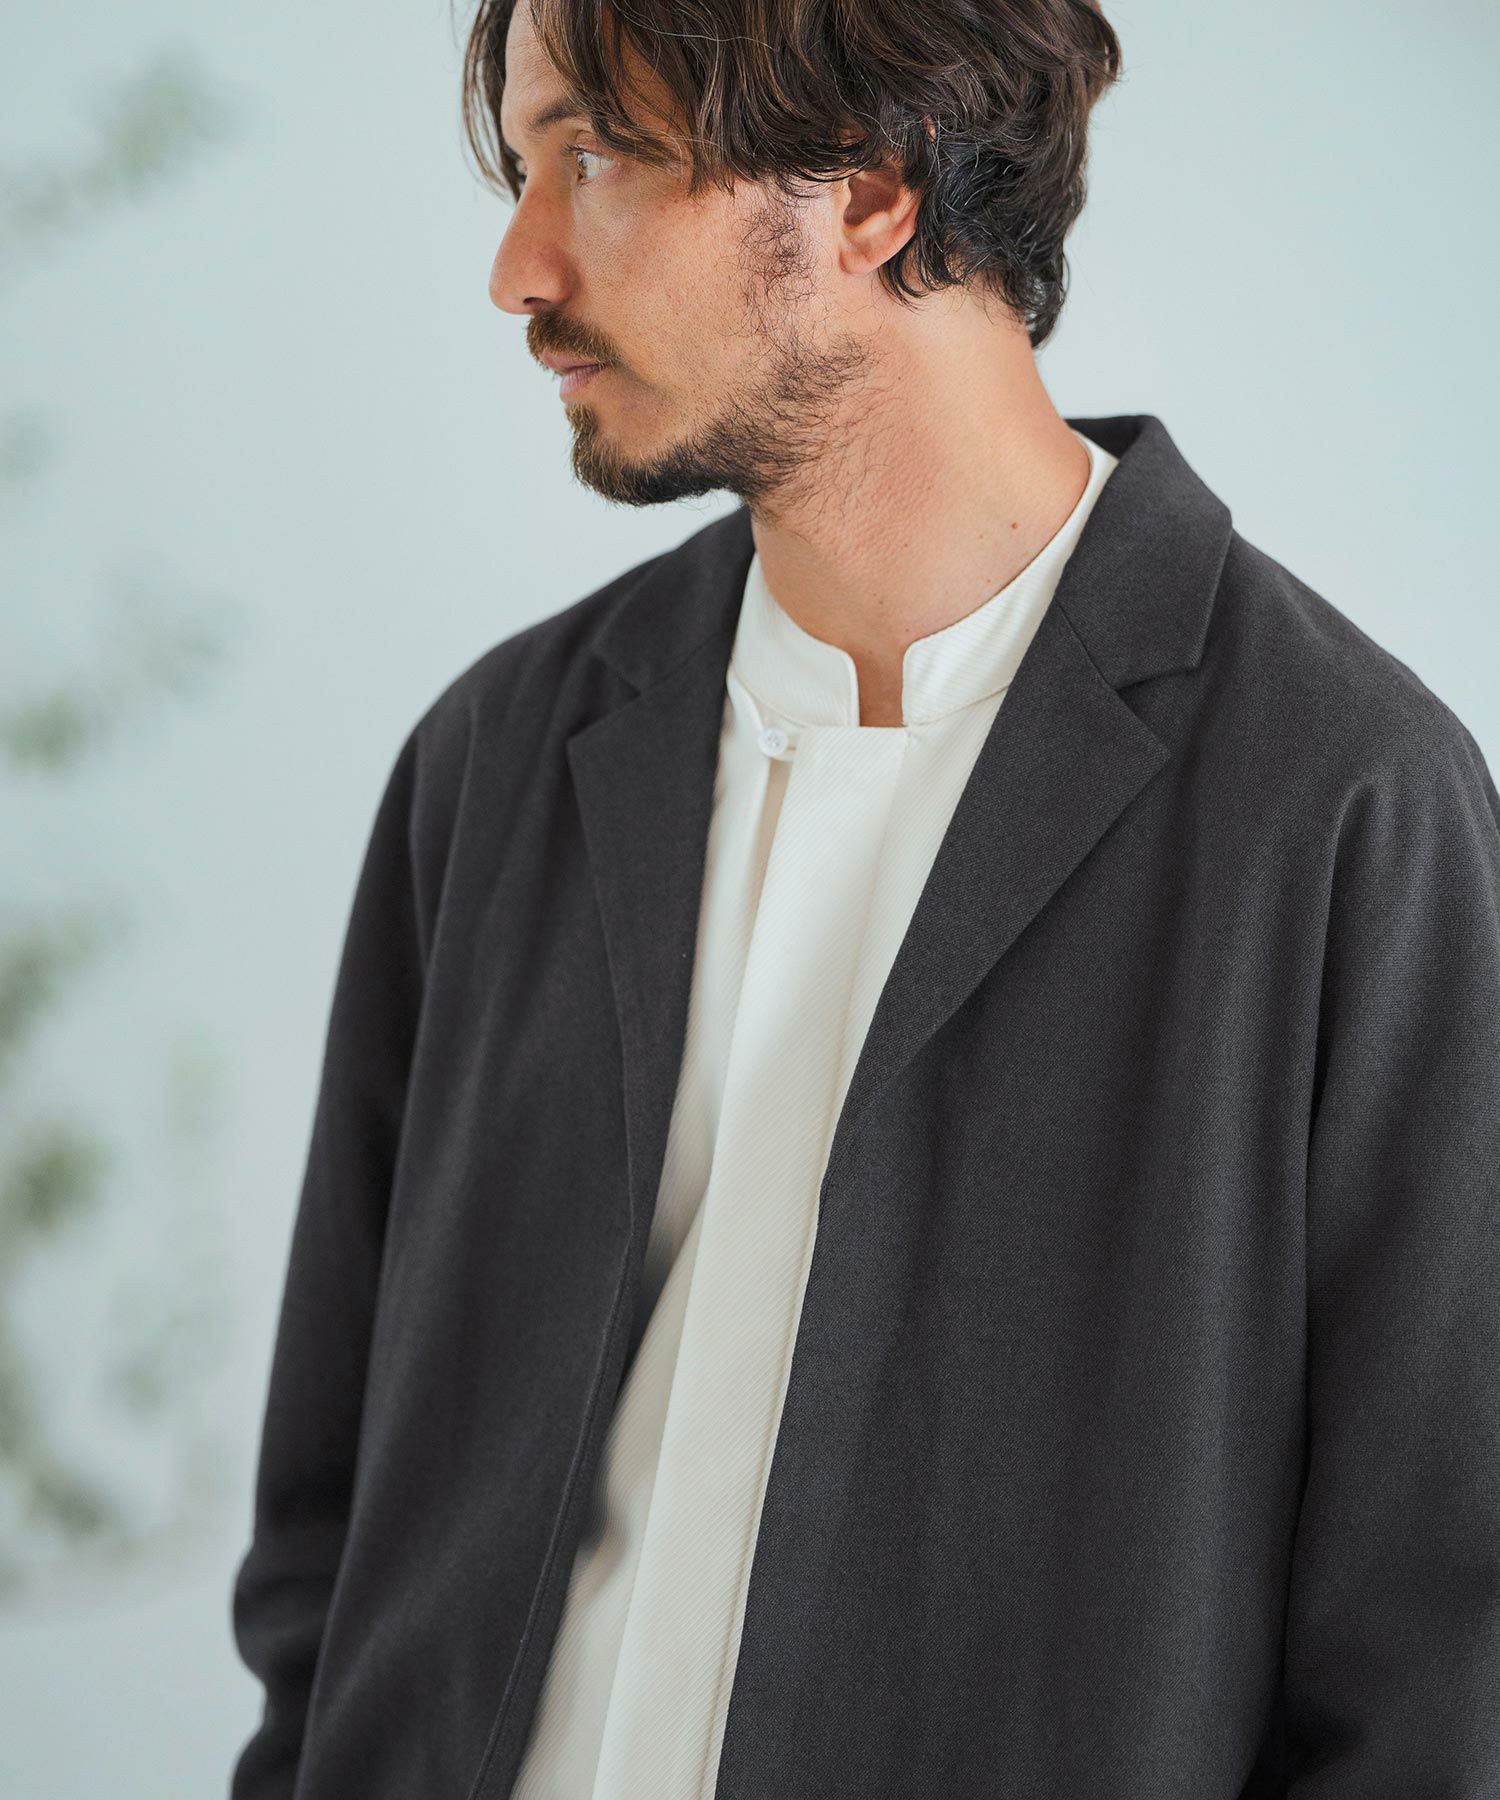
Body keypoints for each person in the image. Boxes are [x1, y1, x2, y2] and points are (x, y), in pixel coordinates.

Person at [228, 0, 1500, 1795]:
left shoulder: (1346, 814)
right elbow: (326, 1546)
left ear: (876, 185)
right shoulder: (495, 765)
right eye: (523, 169)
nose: (519, 268)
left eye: (598, 154)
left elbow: (1436, 1682)